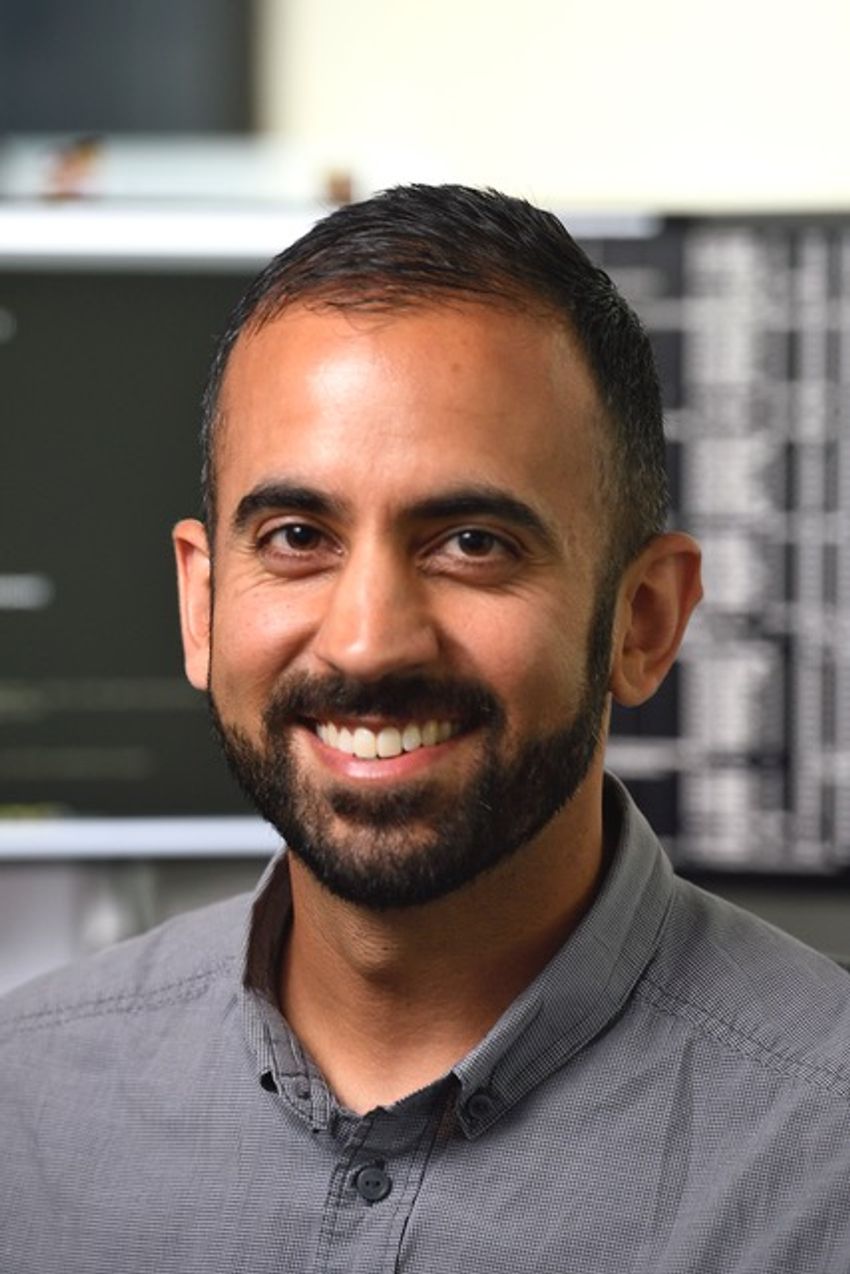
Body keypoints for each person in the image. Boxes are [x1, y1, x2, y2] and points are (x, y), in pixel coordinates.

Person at [2, 185, 849, 1273]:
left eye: (472, 543)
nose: (364, 645)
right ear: (200, 604)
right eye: (299, 534)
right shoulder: (24, 1107)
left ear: (642, 621)